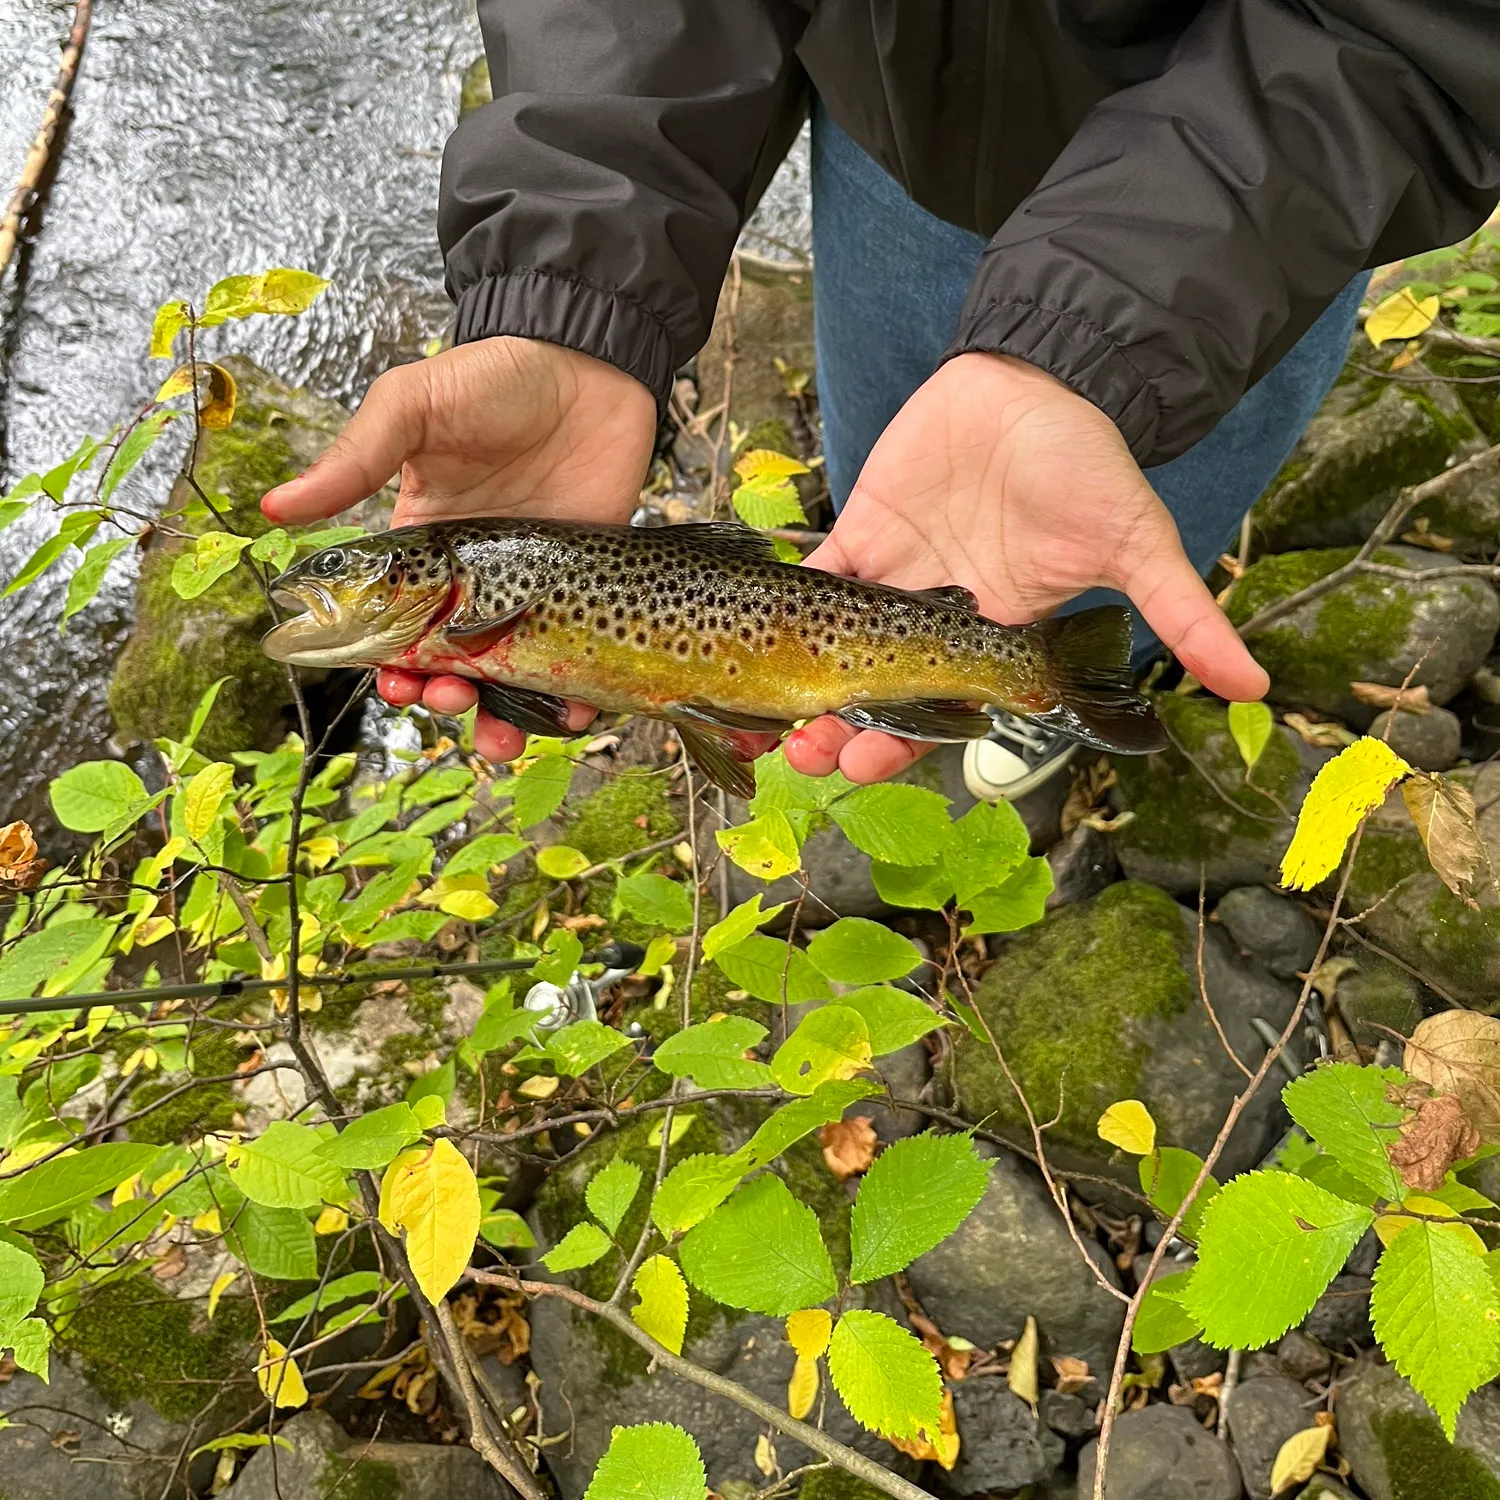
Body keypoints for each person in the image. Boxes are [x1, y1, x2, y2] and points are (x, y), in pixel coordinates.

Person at [262, 0, 1500, 795]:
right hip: (902, 109)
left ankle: (1057, 685)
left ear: (419, 597)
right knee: (893, 489)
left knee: (1124, 508)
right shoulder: (467, 603)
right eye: (339, 586)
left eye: (341, 585)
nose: (320, 603)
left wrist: (1101, 338)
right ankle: (1008, 668)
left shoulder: (467, 609)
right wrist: (565, 294)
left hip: (1268, 195)